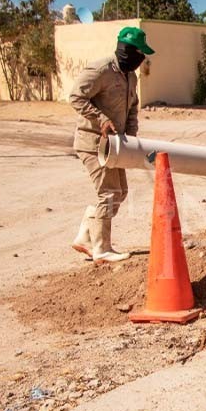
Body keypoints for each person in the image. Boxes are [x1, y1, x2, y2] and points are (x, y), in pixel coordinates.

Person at [69, 27, 154, 264]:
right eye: (139, 54)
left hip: (116, 146)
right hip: (92, 142)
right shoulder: (101, 70)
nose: (141, 60)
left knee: (121, 192)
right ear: (127, 50)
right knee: (108, 192)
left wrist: (132, 137)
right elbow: (76, 96)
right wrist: (102, 119)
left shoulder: (131, 77)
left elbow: (132, 108)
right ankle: (101, 248)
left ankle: (86, 234)